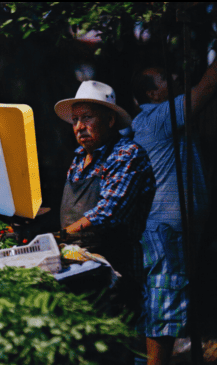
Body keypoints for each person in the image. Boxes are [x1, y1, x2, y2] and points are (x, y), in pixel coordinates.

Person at [128, 59, 217, 365]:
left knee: (155, 298)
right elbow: (207, 89)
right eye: (165, 78)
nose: (175, 79)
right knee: (166, 296)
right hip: (167, 227)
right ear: (152, 93)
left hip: (168, 226)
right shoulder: (159, 116)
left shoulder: (152, 120)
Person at [54, 80, 155, 318]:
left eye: (87, 118)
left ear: (110, 120)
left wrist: (62, 235)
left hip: (114, 267)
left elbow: (110, 211)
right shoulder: (79, 157)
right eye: (75, 120)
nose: (79, 127)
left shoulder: (126, 154)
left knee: (112, 333)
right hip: (77, 262)